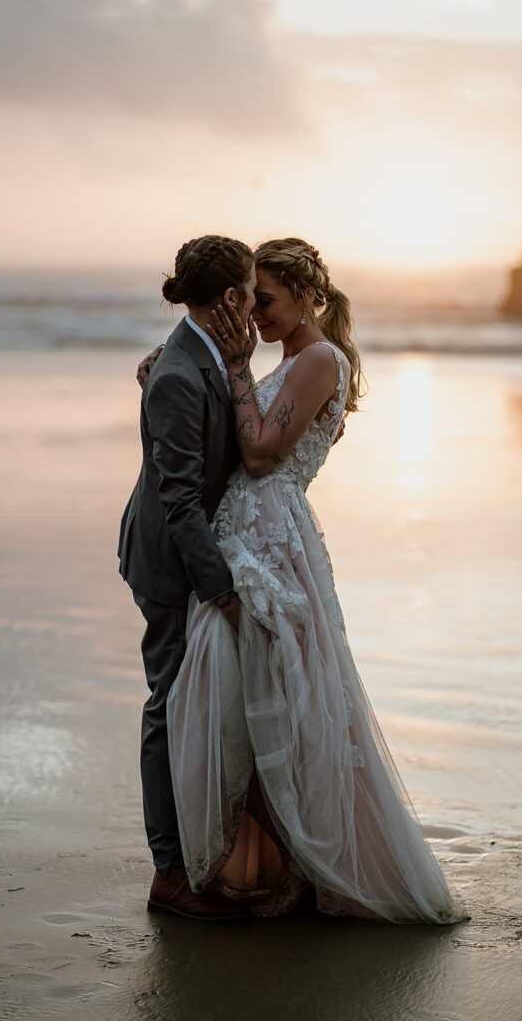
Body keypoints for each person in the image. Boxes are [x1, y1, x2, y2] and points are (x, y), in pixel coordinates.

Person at [163, 237, 467, 923]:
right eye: (246, 299)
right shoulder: (290, 360)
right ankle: (281, 860)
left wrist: (238, 368)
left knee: (284, 701)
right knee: (248, 699)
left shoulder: (320, 359)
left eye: (263, 300)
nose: (252, 313)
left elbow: (263, 453)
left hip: (270, 540)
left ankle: (306, 865)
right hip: (247, 531)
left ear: (306, 296)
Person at [118, 234, 257, 921]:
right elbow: (177, 499)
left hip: (188, 552)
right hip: (171, 564)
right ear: (230, 297)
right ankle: (168, 874)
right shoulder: (176, 372)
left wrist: (241, 369)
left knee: (184, 704)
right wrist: (221, 588)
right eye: (253, 288)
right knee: (166, 708)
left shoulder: (204, 357)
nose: (258, 300)